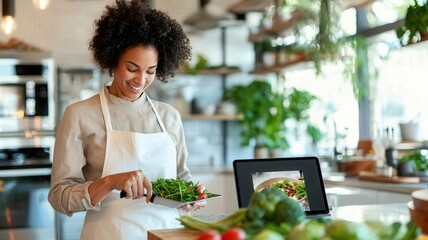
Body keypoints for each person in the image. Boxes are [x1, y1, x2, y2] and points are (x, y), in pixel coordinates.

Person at [48, 0, 205, 239]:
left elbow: (182, 180)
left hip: (167, 234)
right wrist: (110, 182)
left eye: (150, 71)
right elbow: (59, 196)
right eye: (132, 68)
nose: (141, 80)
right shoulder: (79, 115)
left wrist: (192, 197)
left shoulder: (169, 116)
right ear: (113, 61)